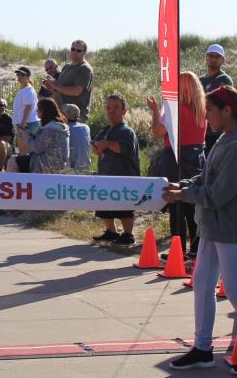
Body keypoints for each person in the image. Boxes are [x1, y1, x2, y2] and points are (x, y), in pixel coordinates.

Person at [163, 85, 237, 376]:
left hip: (234, 229)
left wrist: (183, 194)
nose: (206, 116)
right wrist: (183, 187)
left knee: (236, 290)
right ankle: (202, 349)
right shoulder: (225, 139)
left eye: (210, 110)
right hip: (213, 227)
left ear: (228, 111)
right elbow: (207, 178)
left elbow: (219, 193)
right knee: (202, 285)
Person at [147, 71, 207, 259]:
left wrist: (155, 111)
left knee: (176, 204)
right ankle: (196, 249)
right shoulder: (202, 110)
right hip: (197, 156)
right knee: (192, 203)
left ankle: (177, 250)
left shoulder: (175, 109)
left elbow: (158, 132)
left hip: (175, 156)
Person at [91, 94, 140, 246]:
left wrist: (107, 144)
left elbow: (122, 148)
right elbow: (96, 147)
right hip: (106, 175)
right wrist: (97, 148)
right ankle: (111, 232)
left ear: (124, 111)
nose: (111, 111)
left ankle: (128, 234)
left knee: (124, 207)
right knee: (105, 205)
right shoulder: (105, 130)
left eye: (116, 108)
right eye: (108, 107)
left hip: (124, 177)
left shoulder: (126, 131)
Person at [6, 98, 70, 174]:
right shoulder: (58, 126)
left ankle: (17, 182)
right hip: (56, 163)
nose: (36, 111)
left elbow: (37, 148)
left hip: (46, 164)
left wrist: (26, 135)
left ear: (42, 111)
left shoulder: (50, 129)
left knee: (12, 162)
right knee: (16, 159)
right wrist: (28, 133)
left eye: (38, 109)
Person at [44, 40, 94, 122]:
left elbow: (76, 91)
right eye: (73, 49)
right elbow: (60, 90)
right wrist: (51, 87)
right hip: (61, 115)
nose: (75, 52)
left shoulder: (85, 68)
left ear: (84, 53)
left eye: (78, 50)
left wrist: (56, 85)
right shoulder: (66, 67)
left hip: (75, 117)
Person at [199, 44, 233, 155]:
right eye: (210, 55)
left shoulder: (224, 79)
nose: (213, 59)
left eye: (217, 56)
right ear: (206, 58)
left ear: (223, 60)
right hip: (201, 132)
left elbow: (214, 100)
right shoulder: (199, 80)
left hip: (217, 132)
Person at [11, 67, 40, 145]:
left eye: (22, 74)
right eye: (18, 74)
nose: (19, 76)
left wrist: (22, 125)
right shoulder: (24, 90)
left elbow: (28, 107)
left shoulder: (28, 90)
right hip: (25, 124)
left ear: (28, 77)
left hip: (27, 124)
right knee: (24, 150)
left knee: (26, 150)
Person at [62, 104, 91, 173]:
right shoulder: (85, 127)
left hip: (71, 170)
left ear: (65, 115)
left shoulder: (65, 129)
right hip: (85, 167)